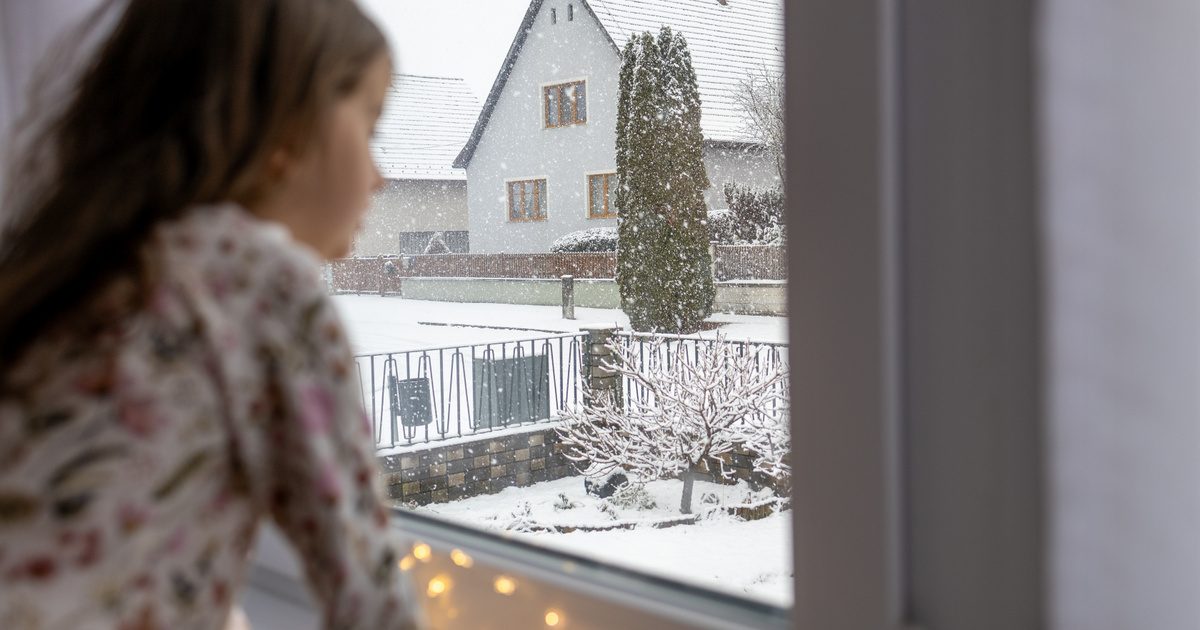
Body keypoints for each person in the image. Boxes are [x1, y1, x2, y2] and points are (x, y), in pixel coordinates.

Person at [0, 1, 419, 628]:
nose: (380, 179)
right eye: (373, 127)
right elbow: (368, 589)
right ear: (288, 135)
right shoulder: (262, 283)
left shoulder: (73, 266)